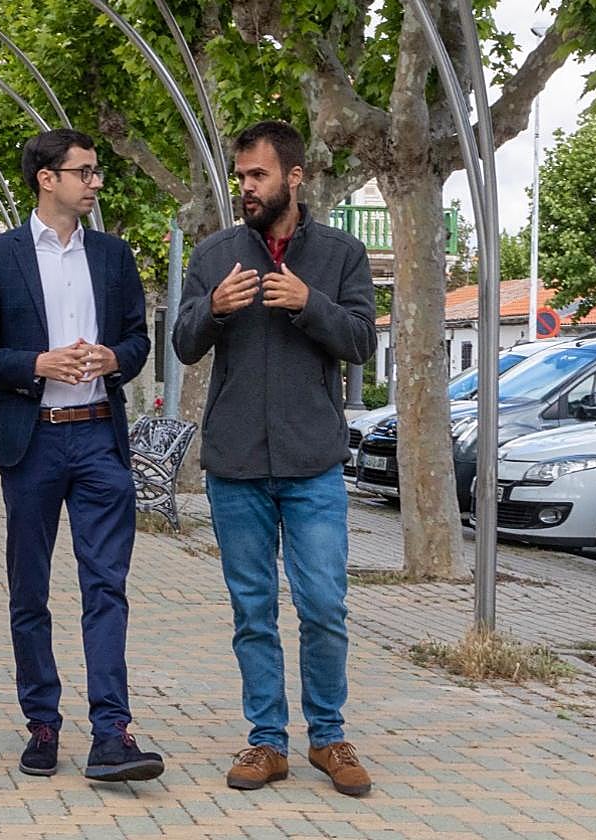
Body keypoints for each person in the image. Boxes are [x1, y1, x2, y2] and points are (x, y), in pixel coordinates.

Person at [172, 121, 377, 796]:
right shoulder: (215, 254)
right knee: (252, 609)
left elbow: (360, 343)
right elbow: (182, 343)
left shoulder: (343, 254)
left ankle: (329, 736)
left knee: (323, 604)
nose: (246, 188)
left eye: (258, 176)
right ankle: (266, 741)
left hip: (313, 461)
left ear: (294, 177)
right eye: (240, 177)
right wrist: (215, 308)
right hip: (235, 465)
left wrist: (307, 302)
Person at [0, 128, 161, 783]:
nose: (95, 182)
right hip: (33, 440)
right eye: (84, 171)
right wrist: (37, 363)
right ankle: (42, 725)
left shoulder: (113, 255)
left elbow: (138, 340)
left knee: (106, 587)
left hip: (100, 438)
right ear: (47, 178)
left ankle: (113, 733)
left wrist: (113, 359)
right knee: (30, 589)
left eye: (96, 171)